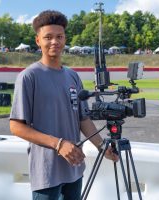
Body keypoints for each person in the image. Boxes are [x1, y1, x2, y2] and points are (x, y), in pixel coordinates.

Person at [9, 10, 118, 200]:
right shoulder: (29, 77)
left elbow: (83, 119)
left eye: (59, 37)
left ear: (65, 39)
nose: (54, 42)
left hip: (74, 167)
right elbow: (16, 126)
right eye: (48, 37)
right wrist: (58, 144)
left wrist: (102, 147)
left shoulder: (72, 76)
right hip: (47, 172)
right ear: (38, 41)